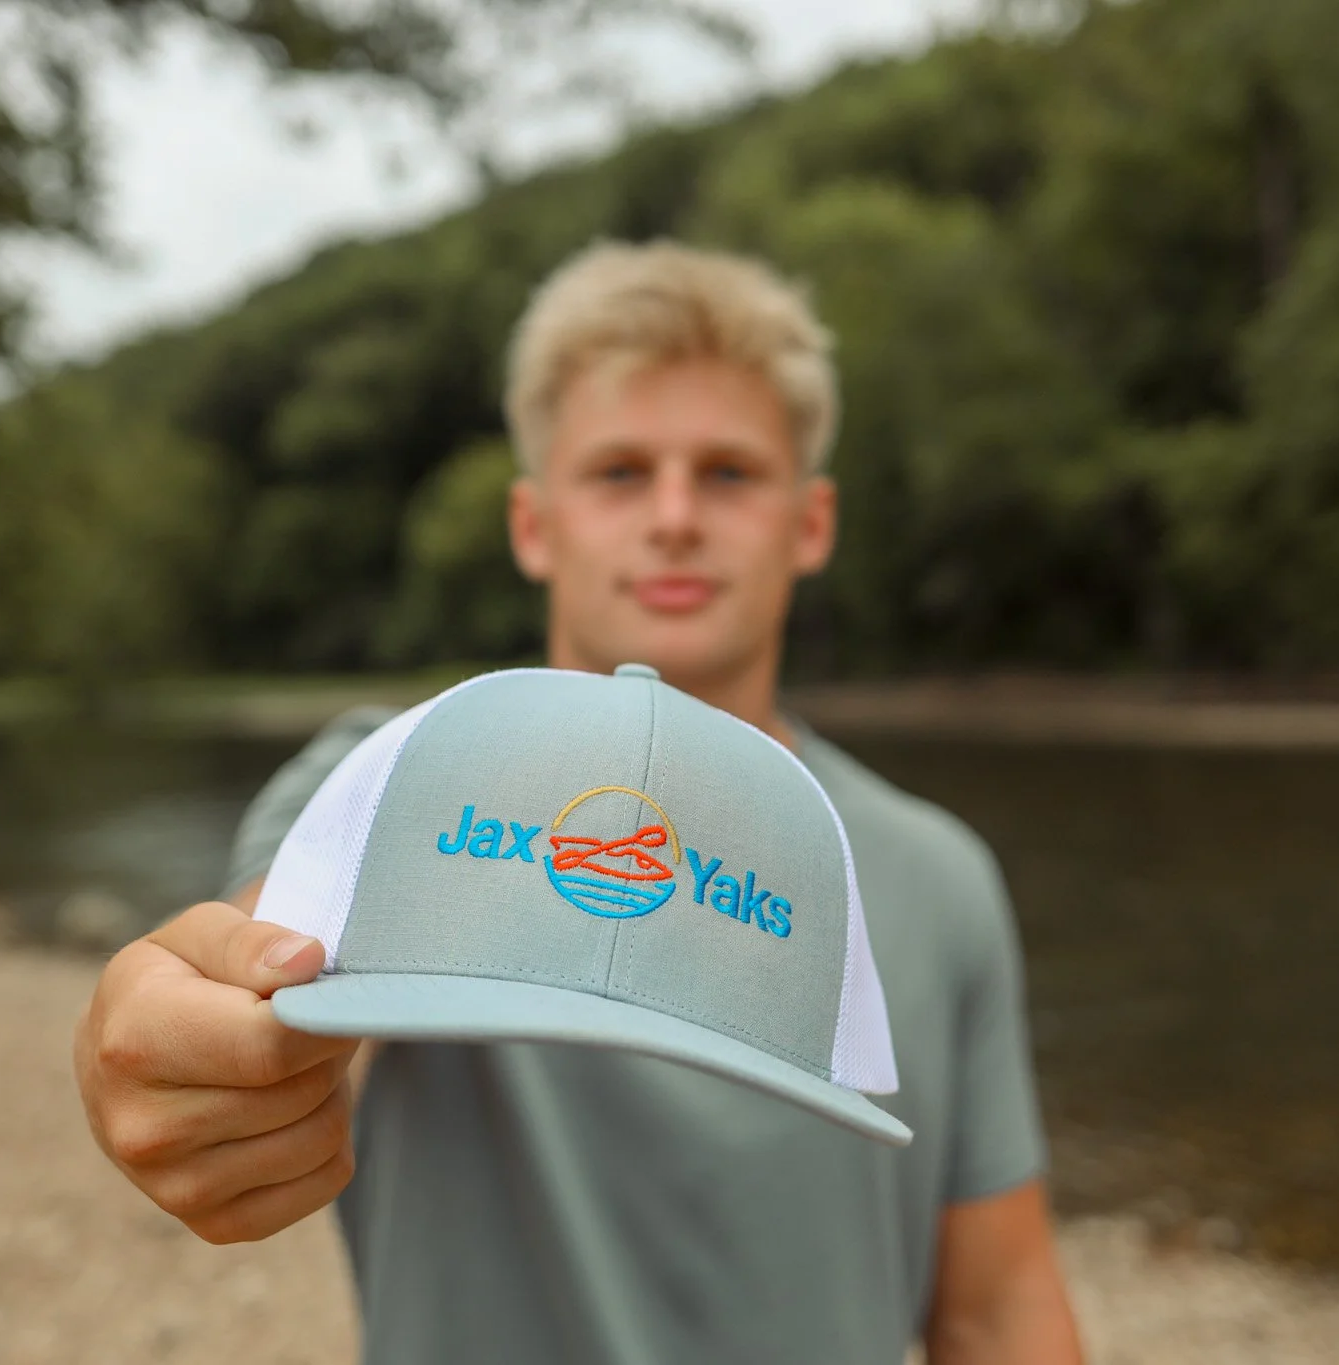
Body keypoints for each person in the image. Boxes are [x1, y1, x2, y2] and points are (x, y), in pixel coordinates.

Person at [74, 241, 1084, 1364]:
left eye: (728, 473)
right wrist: (176, 1038)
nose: (672, 516)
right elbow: (242, 962)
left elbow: (997, 1306)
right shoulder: (390, 781)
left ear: (810, 523)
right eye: (617, 472)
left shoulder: (933, 874)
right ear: (532, 524)